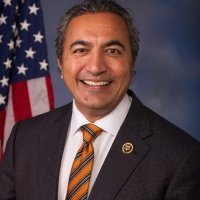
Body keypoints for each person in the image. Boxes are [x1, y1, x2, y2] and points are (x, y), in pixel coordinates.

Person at [0, 0, 200, 199]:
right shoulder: (24, 138)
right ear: (61, 64)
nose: (96, 67)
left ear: (132, 63)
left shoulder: (181, 157)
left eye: (112, 51)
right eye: (81, 50)